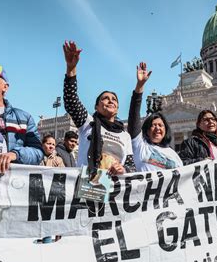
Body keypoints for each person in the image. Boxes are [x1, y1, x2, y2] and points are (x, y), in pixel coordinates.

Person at [62, 40, 135, 178]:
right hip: (88, 185)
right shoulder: (88, 122)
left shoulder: (125, 136)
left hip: (114, 188)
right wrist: (71, 69)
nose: (110, 100)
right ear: (97, 106)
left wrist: (123, 169)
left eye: (114, 99)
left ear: (117, 108)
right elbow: (71, 101)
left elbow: (131, 165)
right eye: (105, 98)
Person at [127, 62, 182, 171]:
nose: (157, 128)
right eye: (153, 125)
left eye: (161, 125)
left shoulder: (174, 155)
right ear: (147, 131)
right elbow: (134, 115)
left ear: (165, 130)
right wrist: (140, 86)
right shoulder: (140, 146)